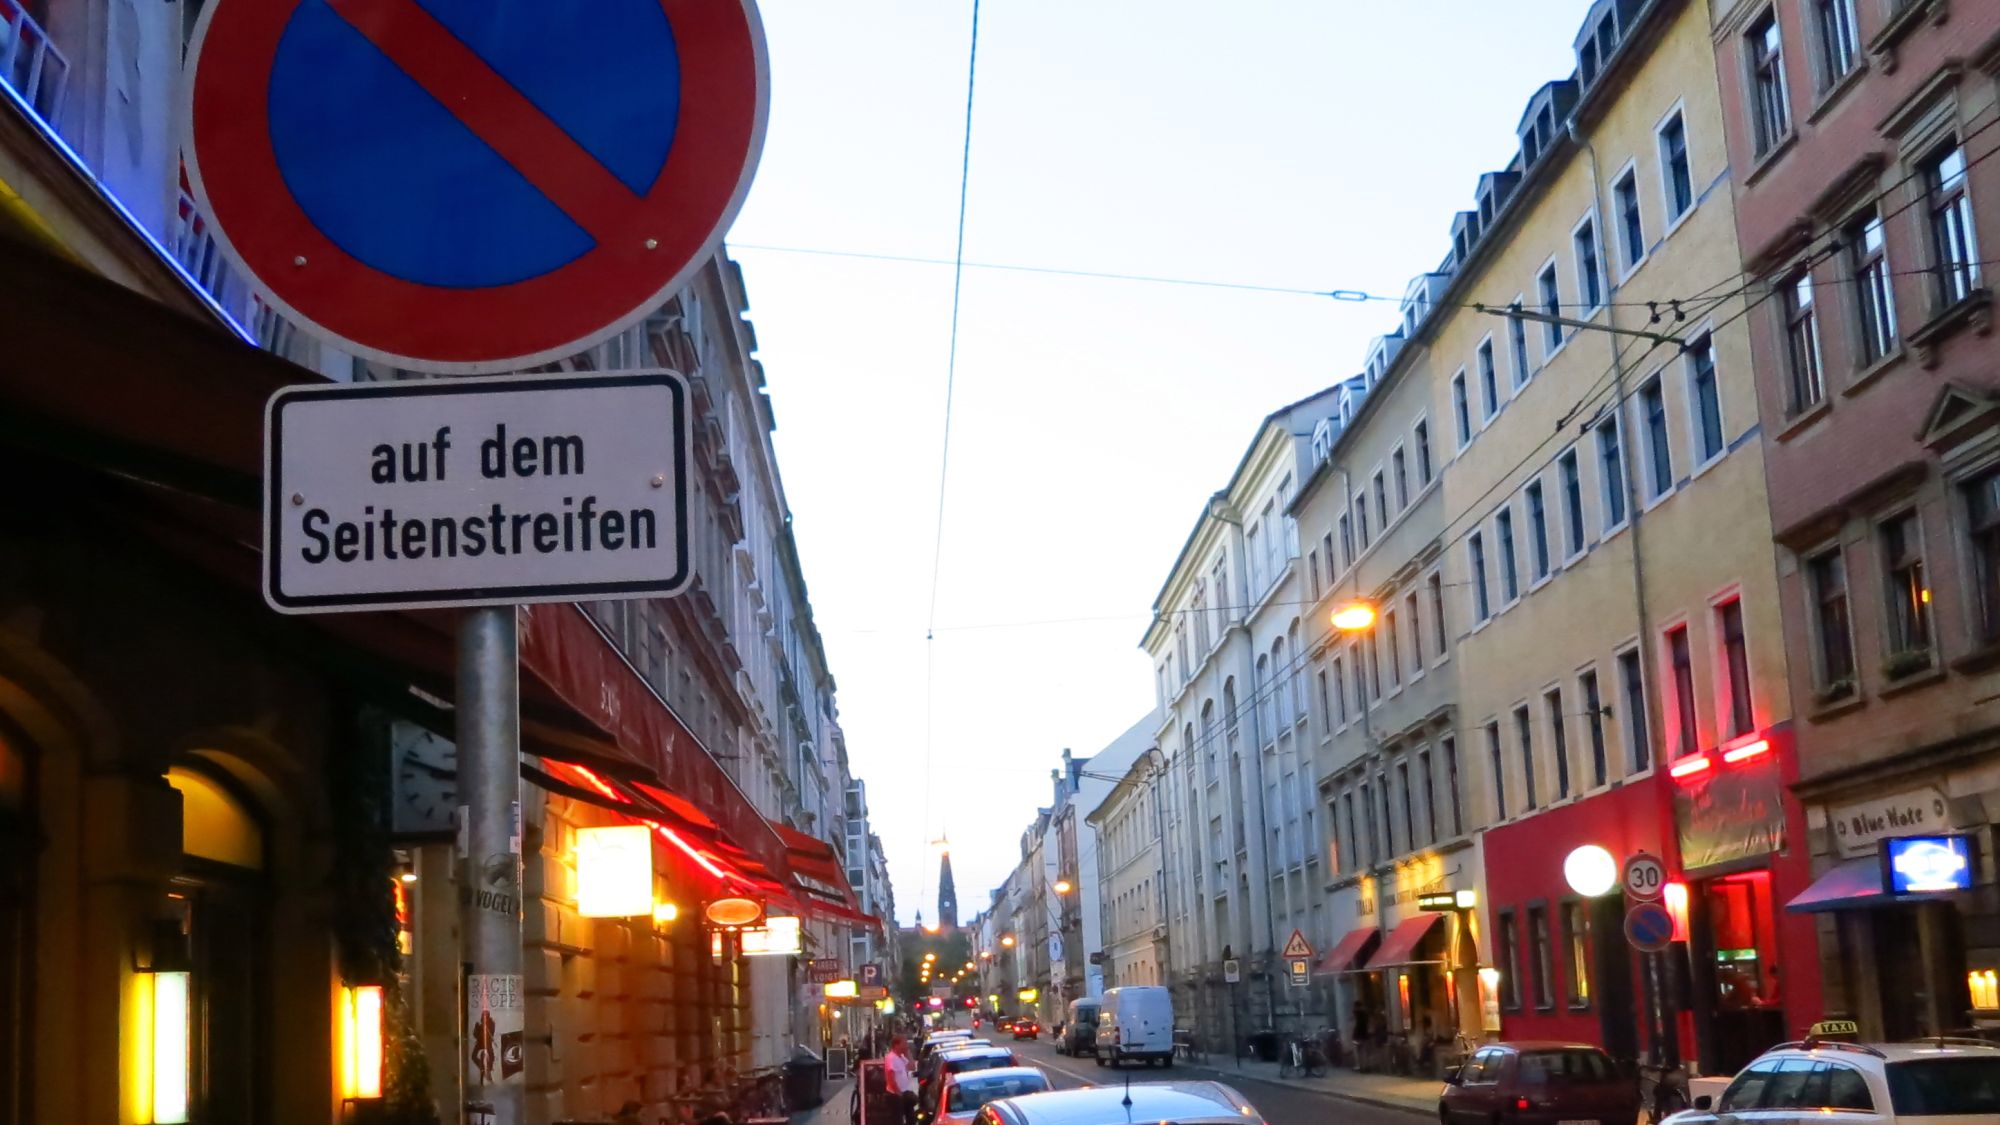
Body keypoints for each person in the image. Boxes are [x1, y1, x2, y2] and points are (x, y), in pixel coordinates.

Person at [886, 1035, 918, 1125]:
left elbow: (912, 1067)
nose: (906, 1046)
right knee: (897, 1120)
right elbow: (890, 1077)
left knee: (911, 1119)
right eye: (904, 1044)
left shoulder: (901, 1057)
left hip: (905, 1093)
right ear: (896, 1045)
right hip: (896, 1095)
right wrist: (898, 1093)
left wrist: (908, 1053)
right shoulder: (891, 1058)